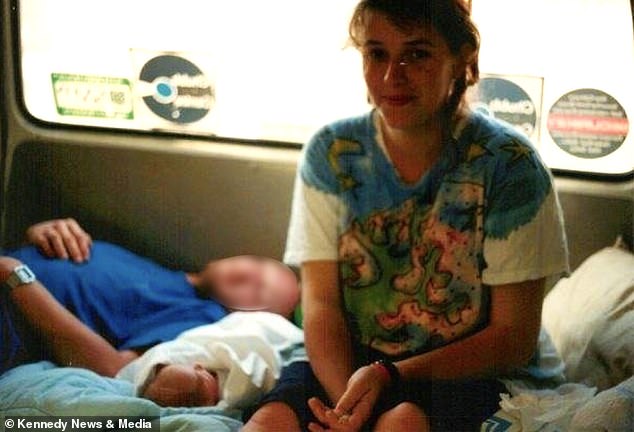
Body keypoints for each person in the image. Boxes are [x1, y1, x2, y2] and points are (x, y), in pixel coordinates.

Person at [243, 1, 569, 431]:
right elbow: (321, 305)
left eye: (416, 54)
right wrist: (347, 409)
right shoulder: (333, 153)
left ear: (461, 61)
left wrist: (388, 376)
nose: (390, 76)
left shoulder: (507, 165)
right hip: (351, 360)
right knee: (270, 422)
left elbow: (512, 338)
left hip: (465, 367)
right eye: (377, 53)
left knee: (402, 424)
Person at [0, 218, 300, 377]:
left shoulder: (202, 318)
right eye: (260, 263)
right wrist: (40, 235)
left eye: (260, 290)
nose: (249, 274)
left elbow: (114, 369)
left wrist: (17, 276)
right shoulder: (163, 270)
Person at [117, 311, 306, 409]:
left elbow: (253, 369)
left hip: (258, 333)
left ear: (199, 367)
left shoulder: (207, 356)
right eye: (191, 403)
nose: (203, 398)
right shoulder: (219, 398)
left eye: (199, 386)